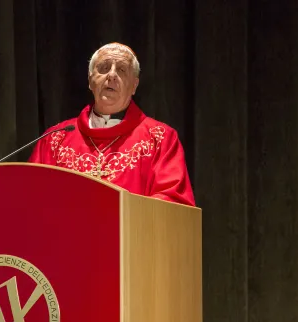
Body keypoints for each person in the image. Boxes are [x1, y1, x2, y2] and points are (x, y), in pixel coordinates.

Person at [28, 42, 195, 207]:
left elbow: (172, 204)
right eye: (104, 68)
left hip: (132, 233)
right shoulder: (55, 138)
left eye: (121, 70)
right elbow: (31, 197)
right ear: (90, 80)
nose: (112, 75)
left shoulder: (160, 138)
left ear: (134, 86)